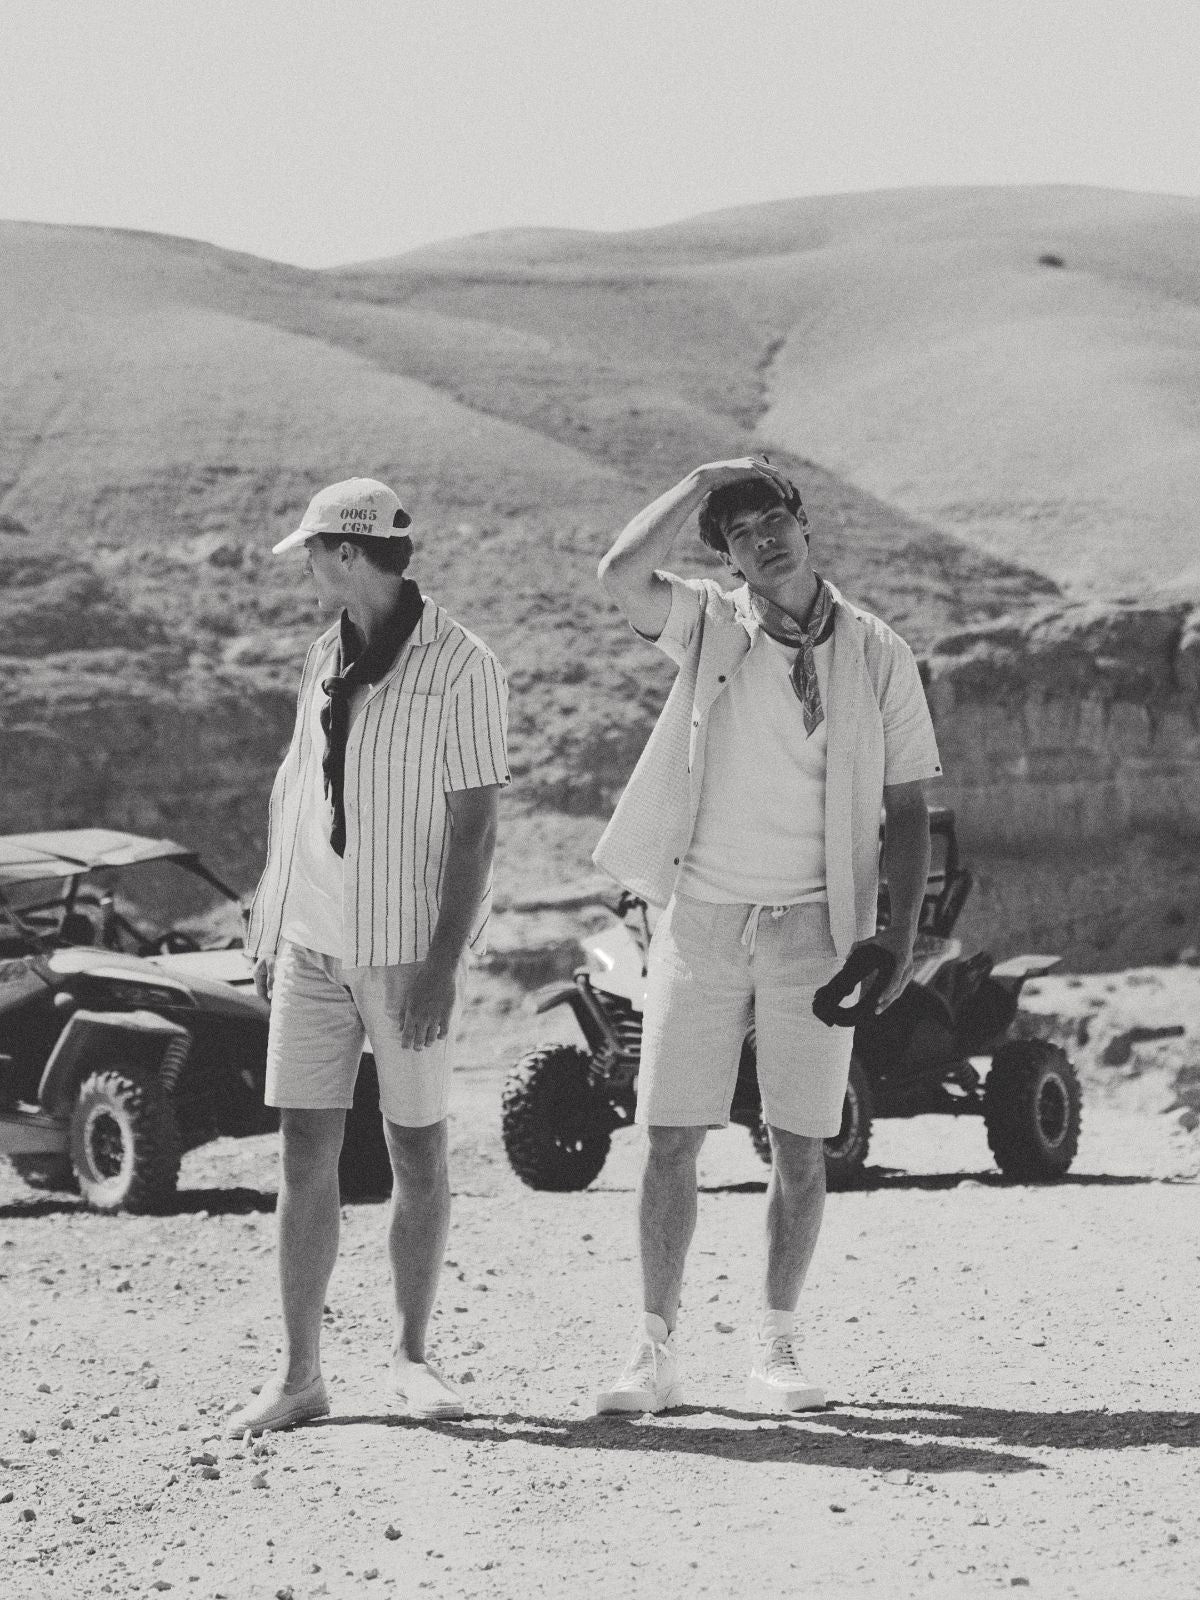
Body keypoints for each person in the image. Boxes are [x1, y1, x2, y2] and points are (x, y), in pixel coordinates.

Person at [592, 456, 942, 1413]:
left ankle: (778, 1349)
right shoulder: (709, 623)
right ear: (729, 559)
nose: (763, 540)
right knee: (671, 1136)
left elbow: (907, 806)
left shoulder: (877, 650)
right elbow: (620, 574)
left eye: (772, 520)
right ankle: (654, 1351)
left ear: (803, 522)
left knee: (801, 1145)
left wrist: (897, 938)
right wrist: (699, 477)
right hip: (703, 918)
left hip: (817, 928)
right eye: (739, 534)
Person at [227, 477, 510, 1434]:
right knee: (303, 1151)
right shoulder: (323, 655)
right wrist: (271, 924)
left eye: (311, 550)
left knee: (415, 1151)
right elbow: (297, 798)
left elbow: (474, 831)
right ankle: (300, 1375)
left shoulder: (463, 667)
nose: (304, 566)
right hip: (311, 945)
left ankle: (412, 1358)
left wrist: (440, 965)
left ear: (348, 553)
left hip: (402, 952)